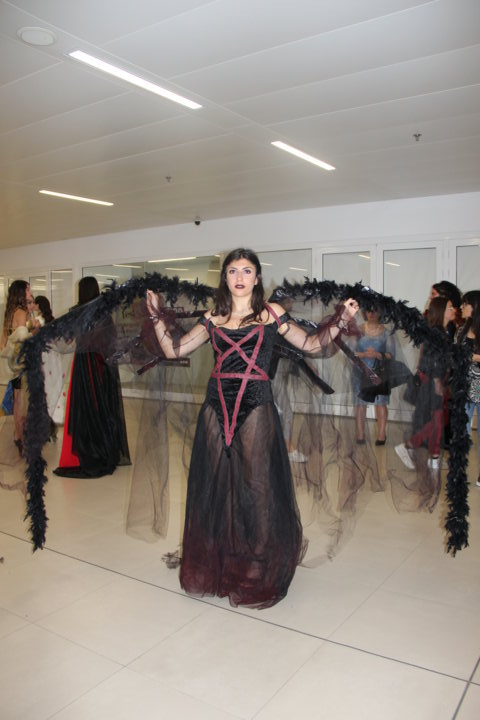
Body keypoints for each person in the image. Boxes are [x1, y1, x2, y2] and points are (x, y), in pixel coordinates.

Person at [146, 248, 359, 609]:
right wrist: (155, 315)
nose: (239, 277)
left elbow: (311, 344)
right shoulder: (213, 317)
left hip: (256, 404)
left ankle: (258, 563)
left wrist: (341, 320)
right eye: (233, 271)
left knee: (257, 486)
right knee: (214, 485)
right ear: (225, 278)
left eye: (247, 271)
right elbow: (174, 350)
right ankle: (220, 556)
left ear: (257, 277)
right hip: (215, 405)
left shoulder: (271, 313)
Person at [54, 276, 130, 478]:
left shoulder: (79, 313)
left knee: (86, 407)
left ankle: (89, 450)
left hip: (85, 365)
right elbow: (111, 340)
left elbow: (67, 339)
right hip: (103, 365)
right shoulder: (104, 314)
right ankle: (105, 449)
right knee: (102, 407)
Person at [395, 296, 455, 473]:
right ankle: (408, 446)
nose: (453, 310)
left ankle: (434, 457)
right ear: (442, 311)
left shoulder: (443, 331)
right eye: (450, 307)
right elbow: (430, 359)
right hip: (432, 382)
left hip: (436, 380)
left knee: (437, 420)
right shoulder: (437, 332)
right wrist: (437, 381)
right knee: (435, 419)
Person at [352, 309, 394, 445]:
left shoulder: (387, 333)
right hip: (360, 372)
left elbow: (391, 354)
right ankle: (360, 434)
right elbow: (351, 352)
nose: (371, 314)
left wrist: (377, 354)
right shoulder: (358, 330)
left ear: (380, 313)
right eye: (369, 310)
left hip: (380, 373)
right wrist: (364, 355)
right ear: (365, 313)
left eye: (375, 310)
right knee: (360, 403)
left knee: (381, 403)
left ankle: (381, 435)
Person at [0, 280, 32, 455]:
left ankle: (17, 434)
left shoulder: (10, 313)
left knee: (17, 400)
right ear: (21, 292)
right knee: (21, 403)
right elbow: (24, 340)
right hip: (21, 366)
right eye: (28, 289)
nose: (30, 292)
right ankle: (20, 438)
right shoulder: (22, 313)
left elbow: (3, 344)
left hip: (12, 365)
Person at [457, 291, 480, 488]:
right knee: (462, 432)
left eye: (465, 304)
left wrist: (472, 357)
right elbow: (456, 357)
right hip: (464, 387)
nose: (462, 308)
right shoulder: (461, 331)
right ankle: (460, 472)